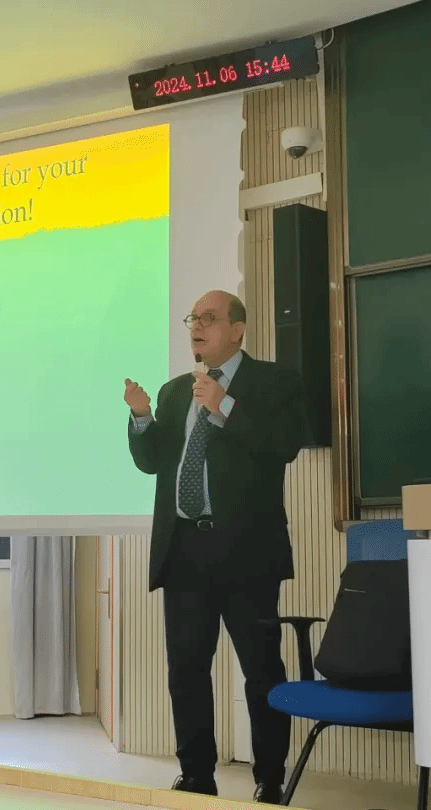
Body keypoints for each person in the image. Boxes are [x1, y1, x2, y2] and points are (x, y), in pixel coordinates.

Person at [122, 289, 308, 804]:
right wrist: (141, 417)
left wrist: (223, 405)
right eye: (193, 319)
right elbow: (154, 461)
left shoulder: (275, 382)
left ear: (238, 329)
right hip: (185, 550)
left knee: (261, 670)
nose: (197, 327)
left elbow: (284, 445)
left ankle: (269, 777)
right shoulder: (174, 391)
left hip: (247, 552)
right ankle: (196, 776)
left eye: (209, 318)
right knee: (186, 670)